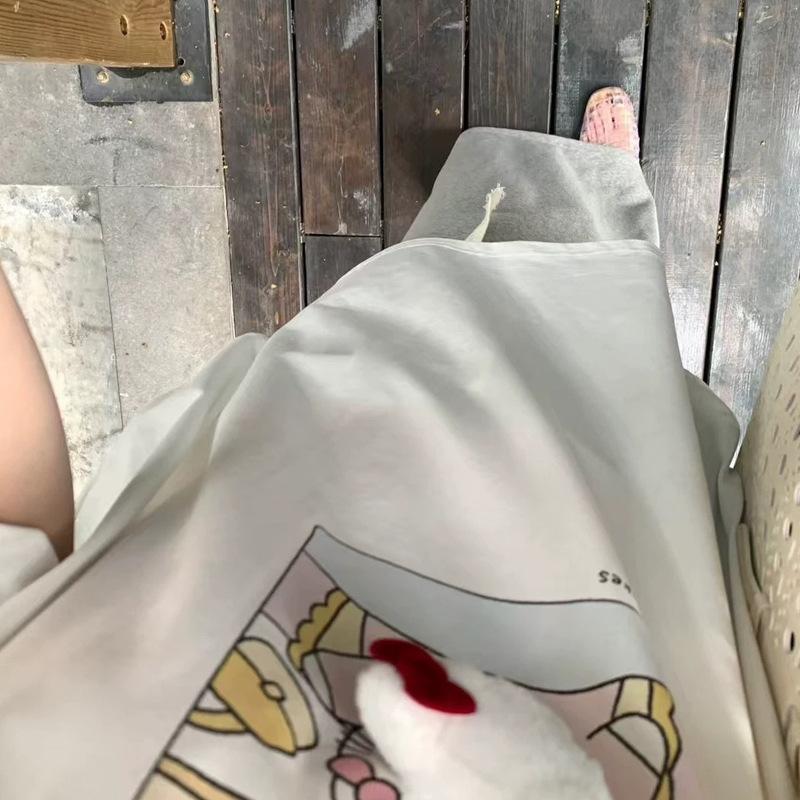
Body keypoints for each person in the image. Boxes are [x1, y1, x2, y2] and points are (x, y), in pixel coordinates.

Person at [0, 89, 776, 799]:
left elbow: (21, 533)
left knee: (416, 339)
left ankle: (536, 210)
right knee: (591, 391)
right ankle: (587, 205)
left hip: (297, 502)